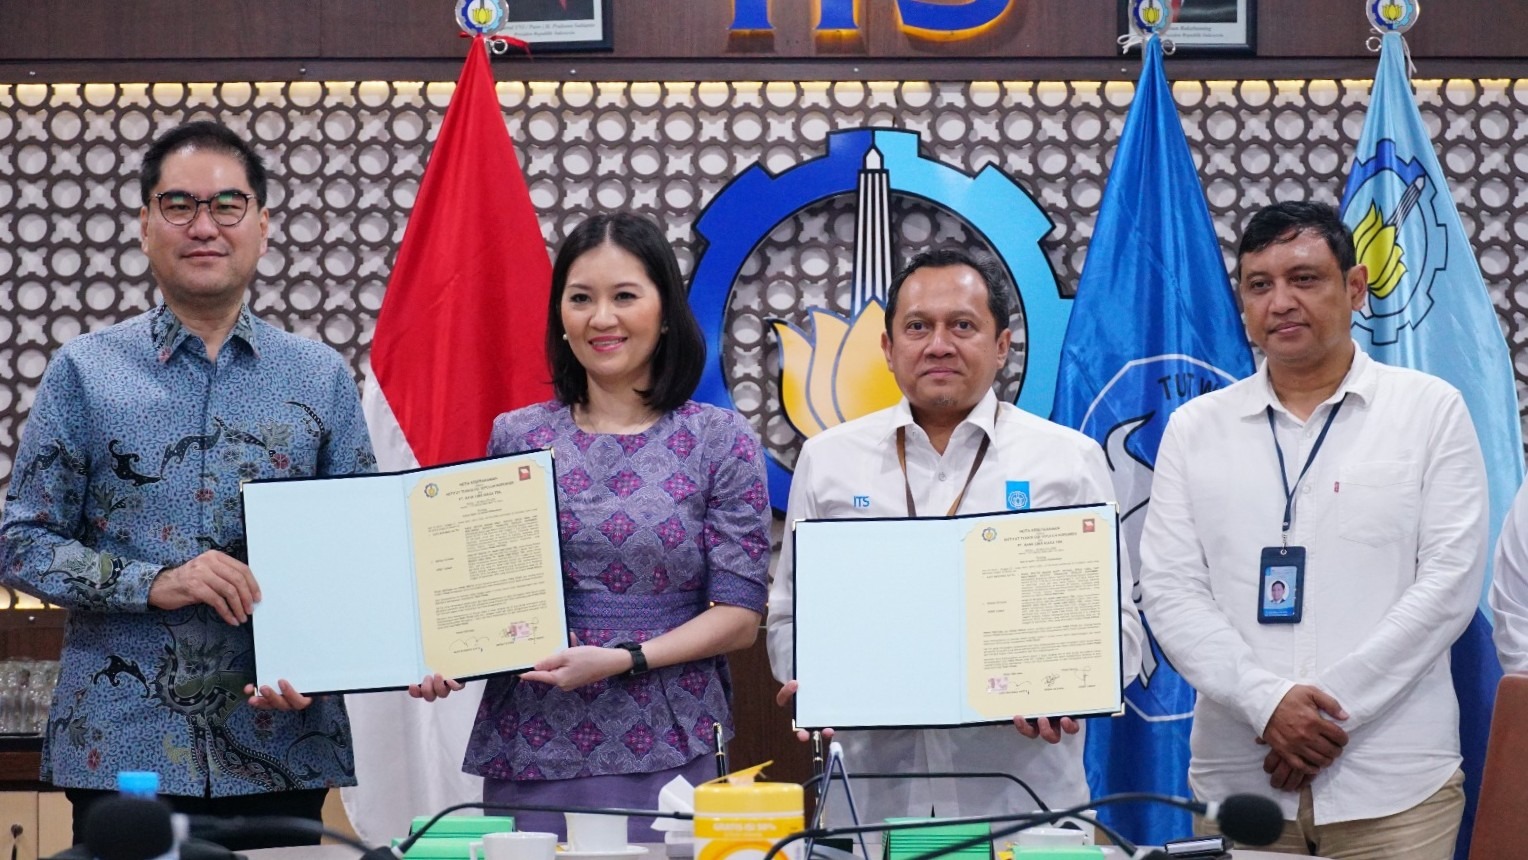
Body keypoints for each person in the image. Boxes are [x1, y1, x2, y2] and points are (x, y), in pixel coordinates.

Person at [0, 120, 375, 849]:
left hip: (280, 742)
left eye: (227, 206)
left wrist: (324, 663)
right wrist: (155, 581)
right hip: (123, 751)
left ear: (262, 227)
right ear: (145, 226)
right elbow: (21, 544)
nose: (204, 225)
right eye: (179, 206)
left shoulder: (320, 377)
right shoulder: (85, 372)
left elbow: (358, 556)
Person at [1139, 201, 1485, 860]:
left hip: (1394, 785)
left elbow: (1449, 583)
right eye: (1260, 284)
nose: (1282, 302)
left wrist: (1322, 717)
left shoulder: (1428, 411)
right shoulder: (1195, 429)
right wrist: (1268, 705)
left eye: (1305, 279)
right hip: (1243, 784)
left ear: (1354, 288)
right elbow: (1171, 591)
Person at [411, 213, 770, 841]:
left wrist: (625, 659)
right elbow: (486, 592)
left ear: (665, 312)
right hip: (531, 733)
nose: (601, 318)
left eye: (624, 296)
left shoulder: (720, 439)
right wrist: (450, 655)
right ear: (560, 317)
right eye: (580, 299)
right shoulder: (516, 437)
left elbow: (739, 617)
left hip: (667, 733)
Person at [766, 249, 1143, 825]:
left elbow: (1119, 629)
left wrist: (1069, 684)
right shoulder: (829, 461)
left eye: (962, 326)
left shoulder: (1067, 461)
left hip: (1026, 801)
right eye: (917, 327)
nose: (938, 344)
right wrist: (819, 681)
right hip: (871, 804)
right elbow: (790, 620)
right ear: (888, 349)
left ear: (1002, 345)